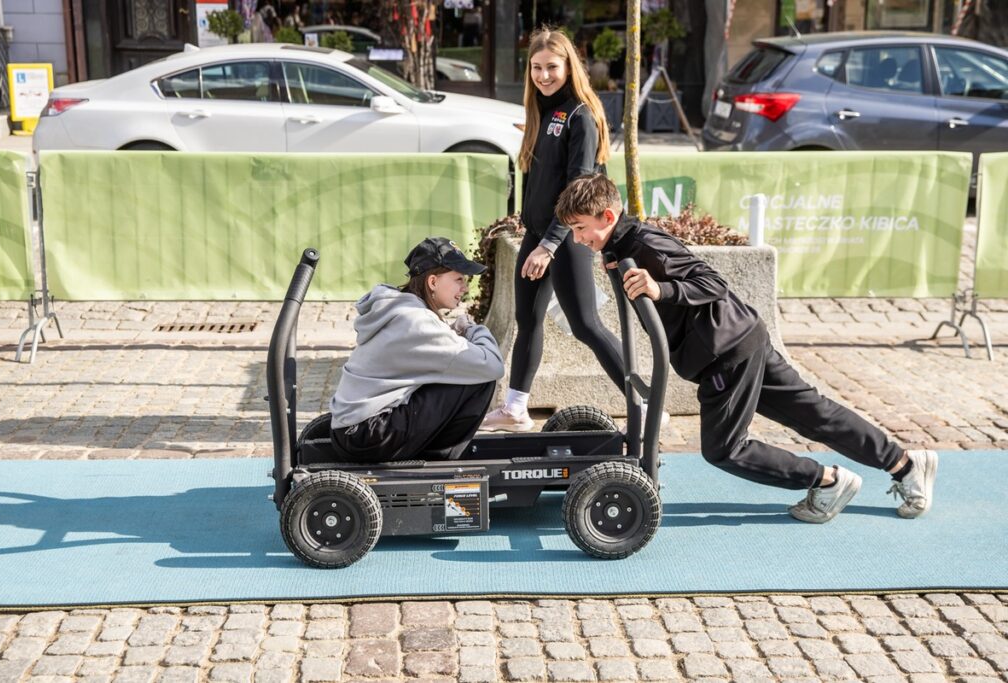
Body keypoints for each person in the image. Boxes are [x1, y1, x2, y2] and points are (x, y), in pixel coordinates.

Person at [553, 173, 938, 523]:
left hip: (725, 352)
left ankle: (827, 480)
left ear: (607, 216)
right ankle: (905, 464)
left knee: (724, 449)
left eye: (580, 228)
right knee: (813, 413)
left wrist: (661, 289)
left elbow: (712, 282)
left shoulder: (645, 243)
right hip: (739, 338)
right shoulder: (618, 244)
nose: (577, 238)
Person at [480, 28, 626, 433]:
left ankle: (645, 400)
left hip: (567, 237)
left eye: (552, 67)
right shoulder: (542, 111)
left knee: (586, 325)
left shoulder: (581, 115)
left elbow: (578, 189)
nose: (543, 76)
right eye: (536, 67)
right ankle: (515, 409)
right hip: (539, 234)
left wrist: (548, 245)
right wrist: (532, 230)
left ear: (569, 67)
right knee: (527, 320)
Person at [328, 237, 504, 463]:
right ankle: (440, 462)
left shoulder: (401, 308)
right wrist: (473, 329)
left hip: (352, 431)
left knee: (465, 371)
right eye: (459, 279)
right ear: (433, 282)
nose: (465, 288)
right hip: (367, 438)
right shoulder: (418, 322)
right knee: (480, 378)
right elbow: (493, 365)